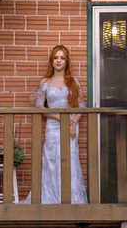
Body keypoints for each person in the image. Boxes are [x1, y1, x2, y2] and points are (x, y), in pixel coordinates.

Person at [32, 45, 88, 204]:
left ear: (66, 62)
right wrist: (58, 117)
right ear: (52, 60)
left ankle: (71, 200)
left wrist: (72, 123)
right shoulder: (45, 82)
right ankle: (52, 200)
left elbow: (82, 107)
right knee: (52, 160)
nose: (59, 61)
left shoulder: (73, 82)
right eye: (56, 58)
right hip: (53, 125)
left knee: (70, 160)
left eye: (62, 58)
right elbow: (40, 107)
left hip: (70, 125)